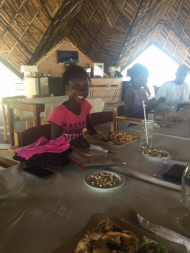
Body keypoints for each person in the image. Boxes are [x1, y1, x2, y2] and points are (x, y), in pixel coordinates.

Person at [48, 65, 98, 142]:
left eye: (85, 87)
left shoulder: (85, 106)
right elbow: (55, 142)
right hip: (64, 152)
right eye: (75, 87)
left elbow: (90, 128)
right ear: (67, 89)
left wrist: (101, 141)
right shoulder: (59, 112)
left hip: (80, 150)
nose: (81, 91)